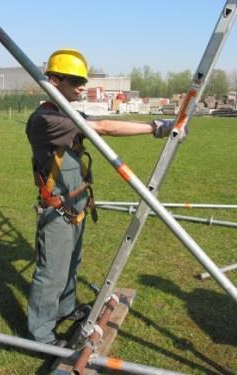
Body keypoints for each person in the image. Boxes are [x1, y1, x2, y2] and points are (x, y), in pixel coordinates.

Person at [26, 49, 176, 346]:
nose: (82, 86)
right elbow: (104, 127)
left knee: (71, 263)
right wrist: (155, 127)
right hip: (57, 209)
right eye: (76, 81)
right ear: (54, 81)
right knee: (51, 273)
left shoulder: (65, 112)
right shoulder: (46, 119)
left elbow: (98, 120)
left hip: (74, 204)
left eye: (84, 80)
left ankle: (66, 310)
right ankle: (40, 336)